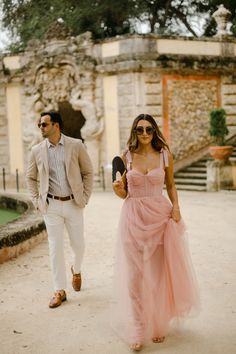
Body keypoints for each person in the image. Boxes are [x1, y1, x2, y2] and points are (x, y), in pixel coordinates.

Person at [112, 114, 200, 351]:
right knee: (134, 277)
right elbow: (124, 194)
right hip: (133, 217)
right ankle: (139, 327)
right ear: (134, 131)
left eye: (149, 129)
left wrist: (176, 207)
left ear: (154, 131)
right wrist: (118, 189)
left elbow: (170, 185)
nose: (144, 134)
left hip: (160, 218)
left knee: (157, 274)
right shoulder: (126, 157)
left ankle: (159, 322)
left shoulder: (164, 155)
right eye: (140, 129)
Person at [26, 111, 93, 308]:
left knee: (78, 245)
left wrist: (85, 196)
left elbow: (88, 172)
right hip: (51, 205)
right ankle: (59, 290)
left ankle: (77, 269)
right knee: (55, 247)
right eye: (39, 124)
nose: (40, 127)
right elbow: (30, 177)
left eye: (44, 124)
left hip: (73, 203)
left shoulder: (76, 145)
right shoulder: (36, 150)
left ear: (56, 125)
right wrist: (37, 200)